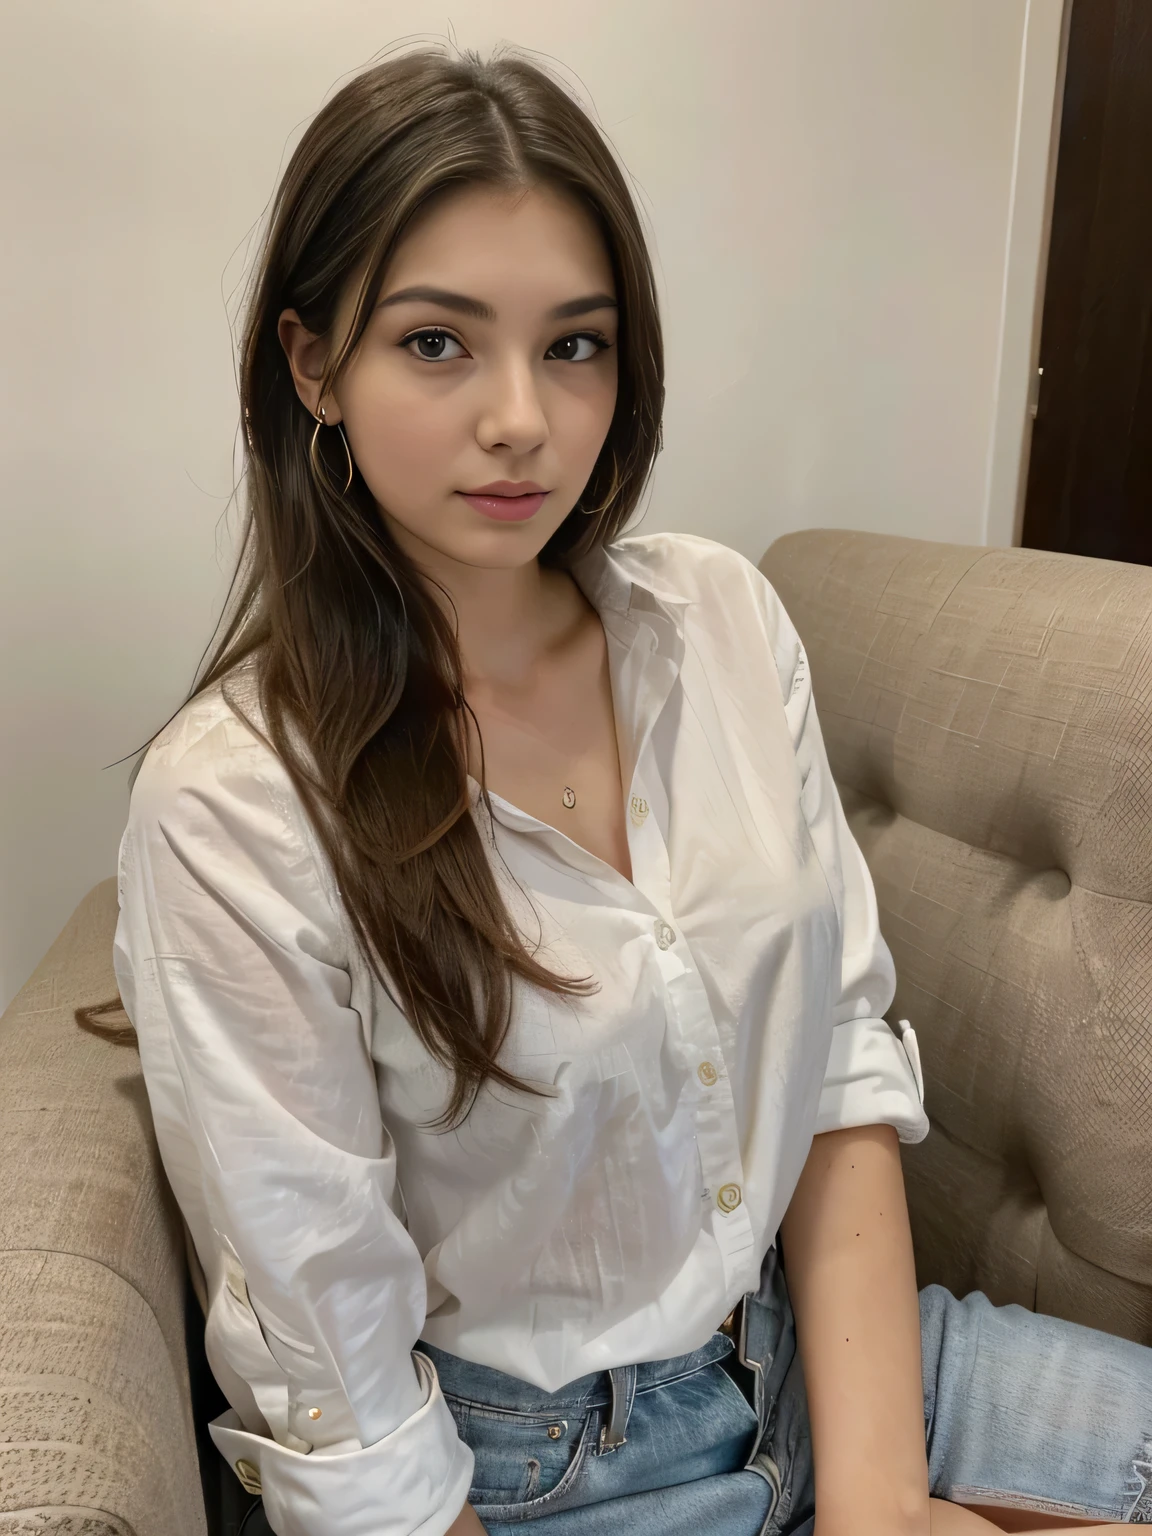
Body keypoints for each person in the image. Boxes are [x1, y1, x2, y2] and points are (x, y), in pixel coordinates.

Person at [106, 44, 1151, 1536]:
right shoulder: (238, 806)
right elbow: (339, 1387)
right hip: (529, 1474)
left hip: (826, 1362)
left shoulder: (717, 619)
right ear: (312, 365)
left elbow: (837, 1061)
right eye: (438, 343)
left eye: (576, 345)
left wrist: (878, 1505)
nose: (522, 416)